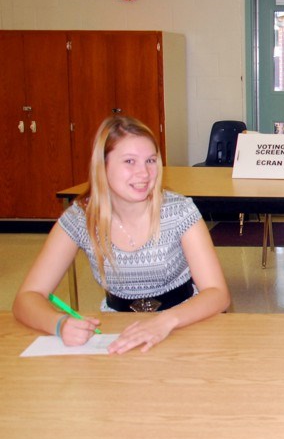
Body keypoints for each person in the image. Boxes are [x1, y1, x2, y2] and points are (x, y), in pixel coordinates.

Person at [13, 116, 230, 354]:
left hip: (183, 324)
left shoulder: (178, 211)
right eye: (129, 161)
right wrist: (58, 324)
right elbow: (26, 298)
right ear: (102, 166)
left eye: (150, 160)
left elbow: (218, 294)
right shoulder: (82, 218)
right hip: (118, 330)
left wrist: (165, 321)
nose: (144, 173)